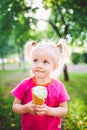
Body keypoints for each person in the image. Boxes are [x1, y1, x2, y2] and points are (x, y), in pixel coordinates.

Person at [11, 39, 70, 130]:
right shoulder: (25, 84)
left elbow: (64, 110)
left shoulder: (59, 86)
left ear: (55, 66)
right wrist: (26, 108)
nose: (39, 65)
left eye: (45, 62)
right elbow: (15, 107)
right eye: (35, 60)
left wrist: (48, 110)